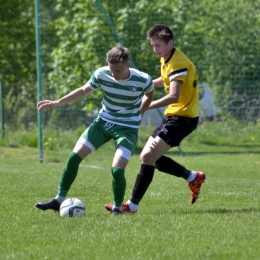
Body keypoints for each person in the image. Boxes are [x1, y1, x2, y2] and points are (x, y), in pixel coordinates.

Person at [35, 46, 154, 216]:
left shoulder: (143, 80)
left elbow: (149, 95)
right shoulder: (101, 74)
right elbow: (84, 91)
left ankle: (118, 208)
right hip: (102, 124)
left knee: (117, 169)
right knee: (74, 157)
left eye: (118, 70)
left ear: (128, 65)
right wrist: (56, 102)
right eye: (111, 69)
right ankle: (58, 200)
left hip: (127, 129)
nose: (114, 74)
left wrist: (139, 113)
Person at [105, 24, 205, 214]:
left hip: (183, 118)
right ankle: (193, 177)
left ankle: (131, 206)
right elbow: (164, 79)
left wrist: (145, 105)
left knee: (147, 157)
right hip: (174, 116)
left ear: (170, 43)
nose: (155, 49)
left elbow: (173, 96)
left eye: (158, 45)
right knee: (149, 157)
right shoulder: (167, 58)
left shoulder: (178, 63)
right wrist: (144, 83)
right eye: (153, 45)